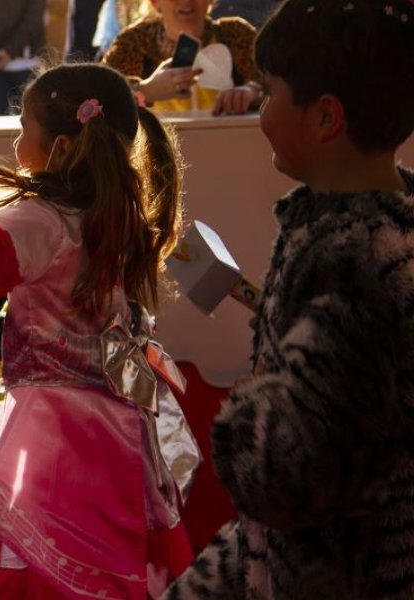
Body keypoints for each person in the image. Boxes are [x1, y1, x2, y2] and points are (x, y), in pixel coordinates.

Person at [0, 62, 196, 599]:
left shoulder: (40, 218)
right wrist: (6, 327)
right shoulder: (113, 213)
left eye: (24, 128)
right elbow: (74, 305)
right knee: (98, 552)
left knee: (35, 553)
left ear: (64, 147)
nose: (16, 138)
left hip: (57, 431)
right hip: (115, 423)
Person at [164, 0, 414, 598]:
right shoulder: (373, 229)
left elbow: (287, 476)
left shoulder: (349, 259)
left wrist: (243, 416)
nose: (262, 111)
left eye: (270, 92)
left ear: (326, 117)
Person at [102, 0, 261, 115]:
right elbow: (95, 100)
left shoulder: (237, 35)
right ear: (155, 3)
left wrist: (252, 91)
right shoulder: (133, 43)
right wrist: (145, 91)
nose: (186, 1)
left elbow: (278, 86)